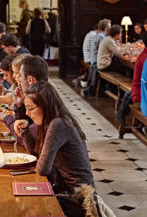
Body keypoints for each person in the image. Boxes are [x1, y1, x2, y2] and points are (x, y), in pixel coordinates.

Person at [15, 81, 95, 217]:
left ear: (45, 106)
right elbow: (36, 154)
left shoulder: (58, 124)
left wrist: (40, 160)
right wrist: (25, 131)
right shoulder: (51, 121)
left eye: (30, 108)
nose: (27, 113)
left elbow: (42, 169)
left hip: (78, 198)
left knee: (23, 208)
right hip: (66, 191)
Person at [82, 19, 111, 97]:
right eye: (109, 26)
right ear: (106, 28)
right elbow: (104, 51)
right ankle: (109, 88)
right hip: (96, 62)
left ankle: (105, 88)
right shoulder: (101, 37)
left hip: (94, 61)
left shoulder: (99, 35)